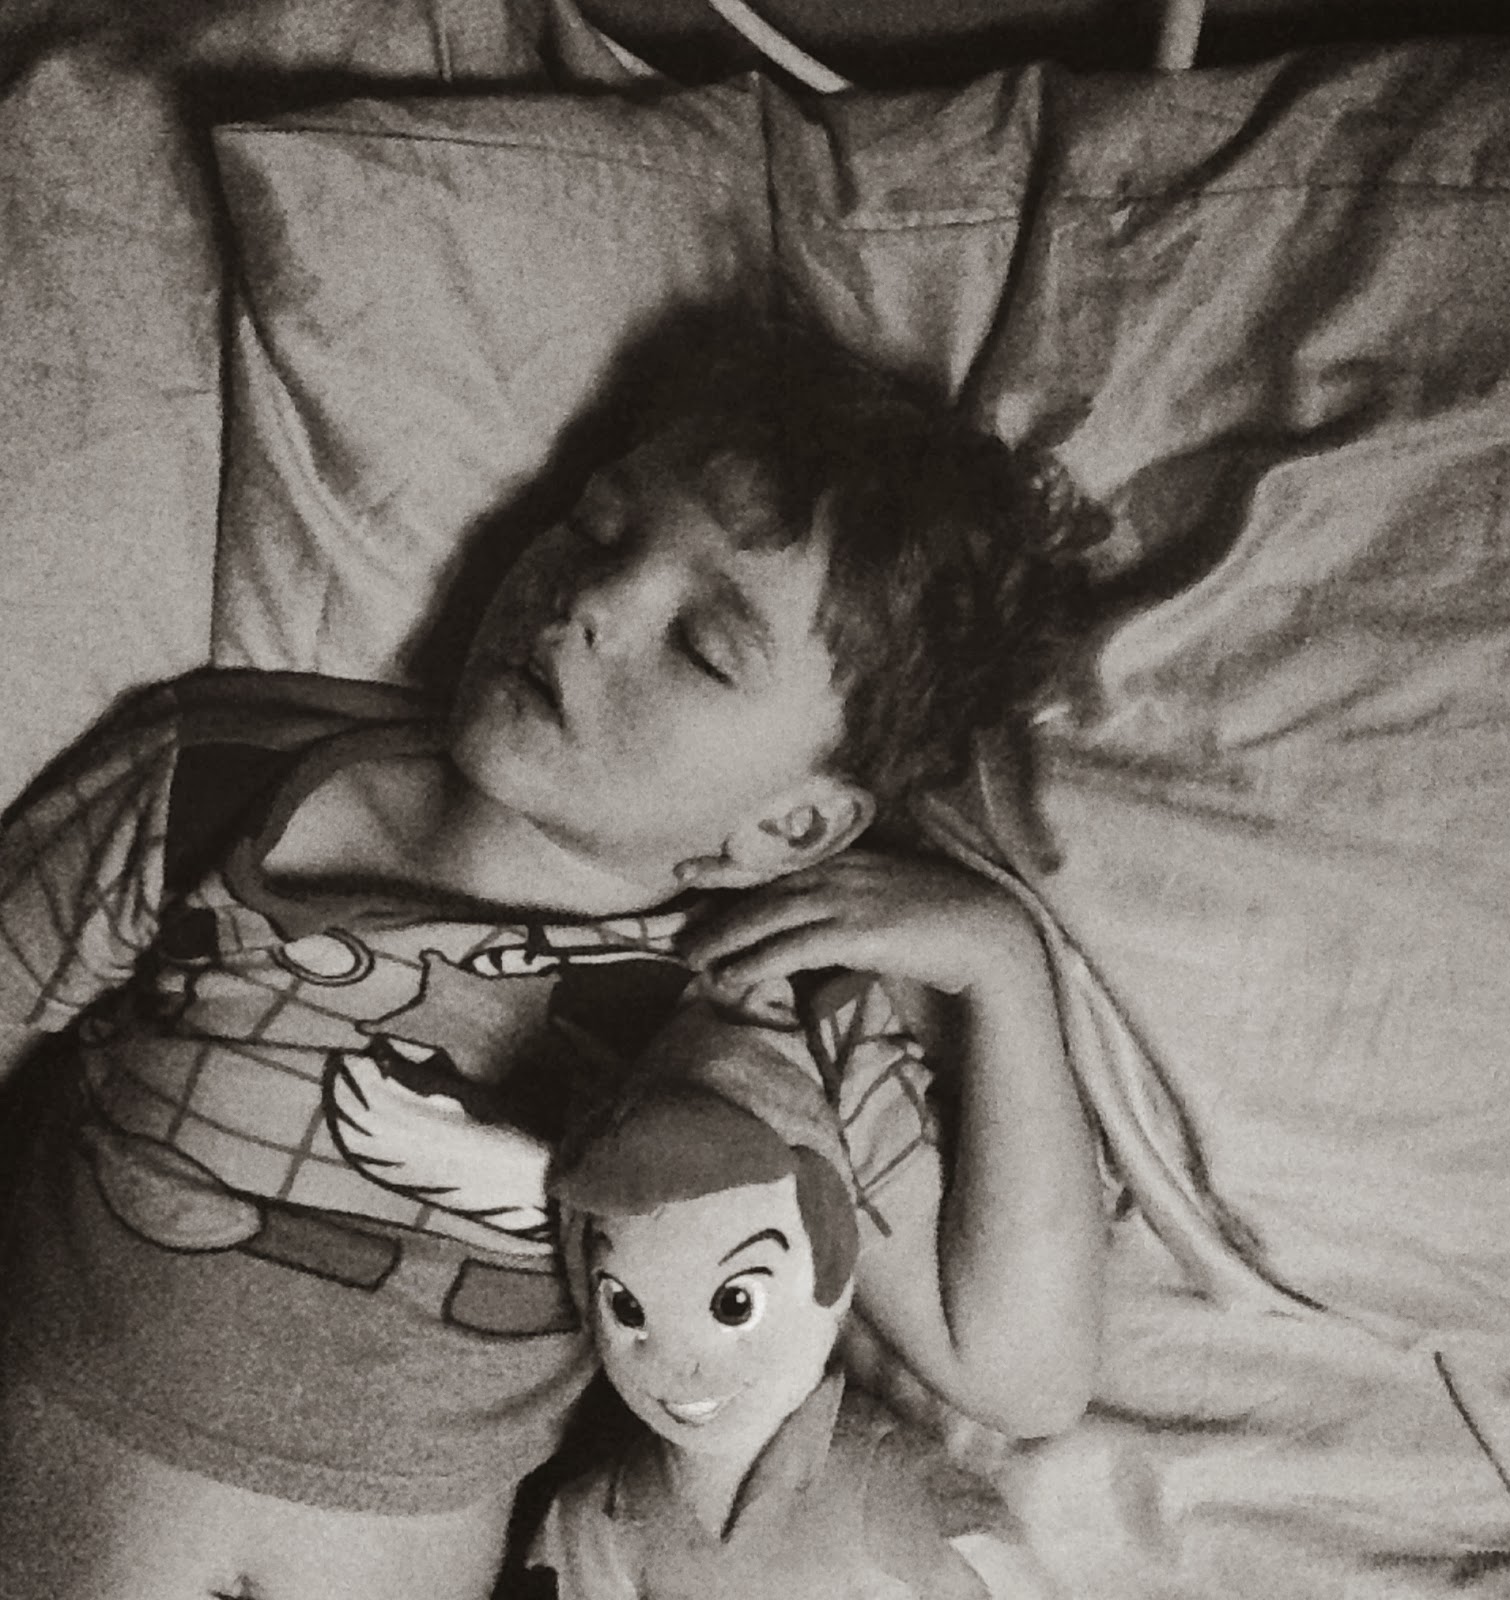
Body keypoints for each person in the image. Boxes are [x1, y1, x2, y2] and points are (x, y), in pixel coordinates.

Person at [0, 328, 1104, 1600]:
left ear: (789, 826)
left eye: (702, 645)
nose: (593, 601)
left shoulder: (766, 1000)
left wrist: (1001, 968)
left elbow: (1019, 1370)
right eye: (594, 528)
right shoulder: (218, 782)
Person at [525, 1001, 992, 1600]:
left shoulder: (885, 1481)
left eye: (734, 1304)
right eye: (628, 1311)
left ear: (829, 1264)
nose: (681, 1364)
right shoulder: (595, 1519)